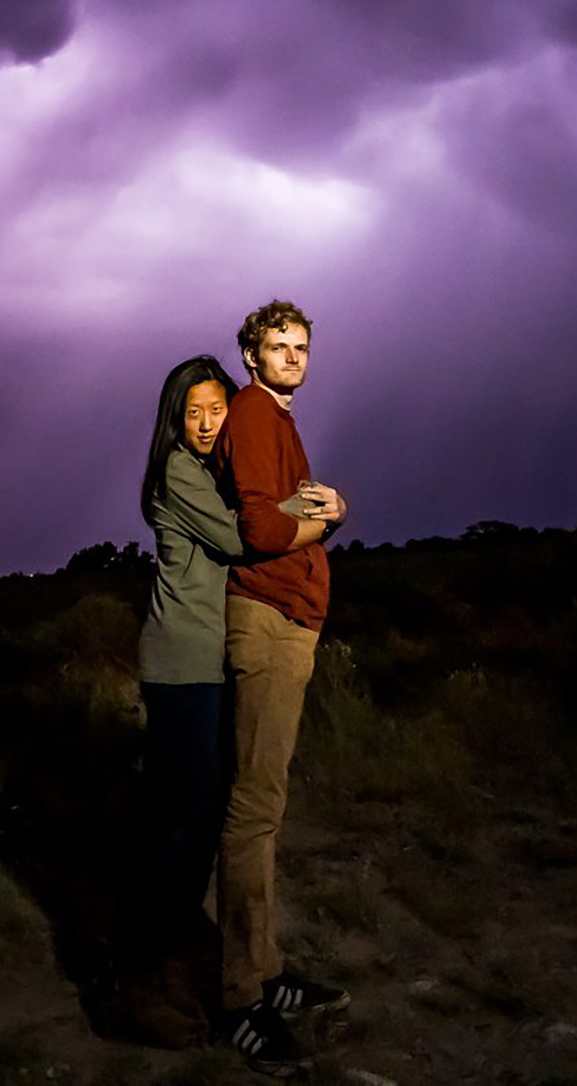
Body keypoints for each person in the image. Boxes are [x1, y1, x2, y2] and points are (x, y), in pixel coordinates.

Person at [124, 354, 330, 1049]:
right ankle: (144, 981)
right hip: (181, 664)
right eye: (195, 412)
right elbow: (245, 536)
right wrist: (320, 515)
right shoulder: (179, 472)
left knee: (203, 813)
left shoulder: (209, 472)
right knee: (183, 823)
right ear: (174, 418)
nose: (209, 423)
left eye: (217, 409)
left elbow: (253, 512)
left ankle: (182, 964)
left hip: (206, 664)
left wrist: (291, 506)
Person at [213, 299, 349, 1072]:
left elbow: (287, 509)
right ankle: (241, 997)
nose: (293, 356)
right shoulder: (256, 412)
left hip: (286, 620)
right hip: (265, 620)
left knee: (264, 807)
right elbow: (264, 530)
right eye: (278, 345)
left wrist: (332, 506)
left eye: (301, 346)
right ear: (251, 352)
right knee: (252, 809)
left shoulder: (279, 420)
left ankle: (265, 971)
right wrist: (320, 525)